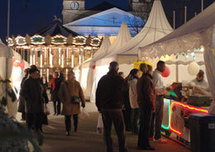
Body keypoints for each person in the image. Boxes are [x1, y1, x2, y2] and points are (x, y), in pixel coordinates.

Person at [96, 61, 128, 152]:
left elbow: (98, 94)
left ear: (109, 68)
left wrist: (99, 107)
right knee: (120, 130)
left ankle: (109, 148)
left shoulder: (103, 79)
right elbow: (125, 92)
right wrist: (123, 104)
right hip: (116, 108)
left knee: (107, 130)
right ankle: (122, 148)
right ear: (117, 69)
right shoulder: (120, 80)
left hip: (105, 108)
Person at [58, 70, 85, 136]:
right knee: (67, 118)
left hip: (75, 103)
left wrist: (83, 101)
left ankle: (75, 127)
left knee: (75, 117)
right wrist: (63, 101)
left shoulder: (77, 83)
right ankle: (68, 130)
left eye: (70, 75)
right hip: (67, 103)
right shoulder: (64, 83)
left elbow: (81, 93)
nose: (68, 76)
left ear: (73, 75)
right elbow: (60, 93)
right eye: (68, 75)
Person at [137, 63, 155, 150]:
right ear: (149, 71)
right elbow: (149, 94)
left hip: (141, 103)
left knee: (143, 125)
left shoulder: (141, 79)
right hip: (146, 104)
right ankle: (145, 144)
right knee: (146, 125)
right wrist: (152, 105)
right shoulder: (147, 79)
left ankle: (141, 143)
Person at [21, 66, 43, 133]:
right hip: (30, 104)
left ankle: (38, 129)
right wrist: (29, 99)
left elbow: (40, 91)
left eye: (37, 73)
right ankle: (29, 130)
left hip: (38, 103)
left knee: (38, 117)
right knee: (30, 117)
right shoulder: (27, 82)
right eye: (35, 73)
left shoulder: (37, 81)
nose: (37, 74)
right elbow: (22, 93)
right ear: (31, 74)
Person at [152, 61, 169, 142]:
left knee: (156, 118)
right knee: (158, 117)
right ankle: (157, 137)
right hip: (157, 98)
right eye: (163, 66)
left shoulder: (157, 74)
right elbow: (155, 89)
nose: (164, 68)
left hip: (158, 97)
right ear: (159, 66)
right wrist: (166, 90)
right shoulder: (156, 75)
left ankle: (153, 135)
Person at [128, 69, 140, 134]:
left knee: (134, 115)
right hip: (135, 100)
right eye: (138, 73)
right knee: (135, 115)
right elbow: (136, 91)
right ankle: (135, 129)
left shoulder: (132, 81)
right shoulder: (135, 81)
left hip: (133, 100)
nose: (139, 74)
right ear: (135, 74)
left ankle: (133, 129)